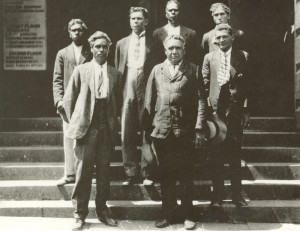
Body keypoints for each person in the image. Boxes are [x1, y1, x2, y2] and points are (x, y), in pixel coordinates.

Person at [143, 34, 207, 230]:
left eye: (178, 48)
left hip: (185, 131)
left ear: (184, 50)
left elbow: (201, 101)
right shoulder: (157, 70)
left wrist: (198, 128)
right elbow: (148, 101)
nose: (174, 51)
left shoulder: (193, 69)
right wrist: (148, 131)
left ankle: (188, 214)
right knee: (166, 175)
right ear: (165, 50)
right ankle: (168, 214)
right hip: (161, 130)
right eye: (170, 48)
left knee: (186, 174)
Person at [63, 31, 120, 230]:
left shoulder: (115, 73)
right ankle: (79, 214)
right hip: (86, 129)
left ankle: (103, 211)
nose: (101, 50)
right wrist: (77, 123)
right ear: (92, 48)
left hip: (106, 129)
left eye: (105, 46)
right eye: (98, 46)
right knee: (83, 173)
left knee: (104, 173)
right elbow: (69, 101)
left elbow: (117, 103)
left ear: (109, 49)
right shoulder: (81, 70)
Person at [202, 24, 250, 211]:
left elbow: (248, 85)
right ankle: (217, 196)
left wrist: (245, 109)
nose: (220, 40)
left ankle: (237, 196)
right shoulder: (209, 58)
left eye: (224, 36)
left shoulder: (242, 56)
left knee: (234, 154)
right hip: (215, 113)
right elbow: (204, 85)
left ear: (232, 37)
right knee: (216, 157)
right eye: (218, 37)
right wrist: (206, 112)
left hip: (234, 111)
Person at [115, 7, 155, 186]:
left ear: (146, 21)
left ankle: (148, 172)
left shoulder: (154, 42)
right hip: (128, 87)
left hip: (146, 86)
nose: (136, 22)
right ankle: (131, 172)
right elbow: (118, 71)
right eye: (133, 19)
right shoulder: (121, 43)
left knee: (148, 130)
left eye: (139, 19)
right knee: (127, 132)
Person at [53, 19, 92, 186]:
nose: (77, 33)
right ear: (69, 33)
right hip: (68, 102)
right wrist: (59, 100)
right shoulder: (62, 53)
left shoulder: (91, 52)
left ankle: (85, 173)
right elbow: (57, 79)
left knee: (86, 137)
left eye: (80, 30)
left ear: (84, 32)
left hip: (86, 100)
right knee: (68, 137)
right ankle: (69, 173)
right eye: (74, 30)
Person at [152, 0, 198, 65]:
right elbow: (155, 58)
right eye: (170, 10)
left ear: (179, 13)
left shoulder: (190, 33)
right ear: (166, 14)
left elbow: (194, 57)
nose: (173, 12)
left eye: (175, 10)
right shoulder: (157, 33)